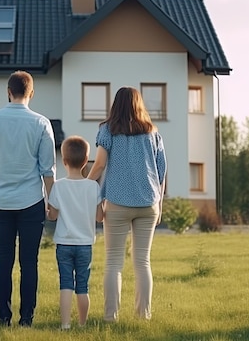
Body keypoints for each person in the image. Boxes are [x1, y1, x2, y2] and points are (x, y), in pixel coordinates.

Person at [0, 70, 56, 327]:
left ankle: (3, 318)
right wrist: (51, 201)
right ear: (31, 93)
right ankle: (27, 319)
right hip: (32, 201)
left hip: (0, 201)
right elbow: (48, 169)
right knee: (29, 262)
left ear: (8, 92)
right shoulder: (42, 123)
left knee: (3, 261)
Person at [86, 86, 166, 322]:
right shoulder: (153, 133)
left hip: (118, 203)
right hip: (148, 202)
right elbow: (161, 171)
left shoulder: (107, 130)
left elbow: (99, 165)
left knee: (113, 261)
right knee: (143, 261)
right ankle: (144, 316)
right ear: (139, 104)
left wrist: (86, 185)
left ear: (116, 105)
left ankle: (111, 317)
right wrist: (159, 204)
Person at [47, 135, 104, 330]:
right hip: (85, 244)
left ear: (64, 161)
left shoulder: (58, 186)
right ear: (85, 161)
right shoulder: (93, 187)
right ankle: (81, 324)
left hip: (63, 243)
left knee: (65, 284)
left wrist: (49, 210)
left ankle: (65, 325)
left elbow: (53, 216)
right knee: (82, 286)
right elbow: (99, 217)